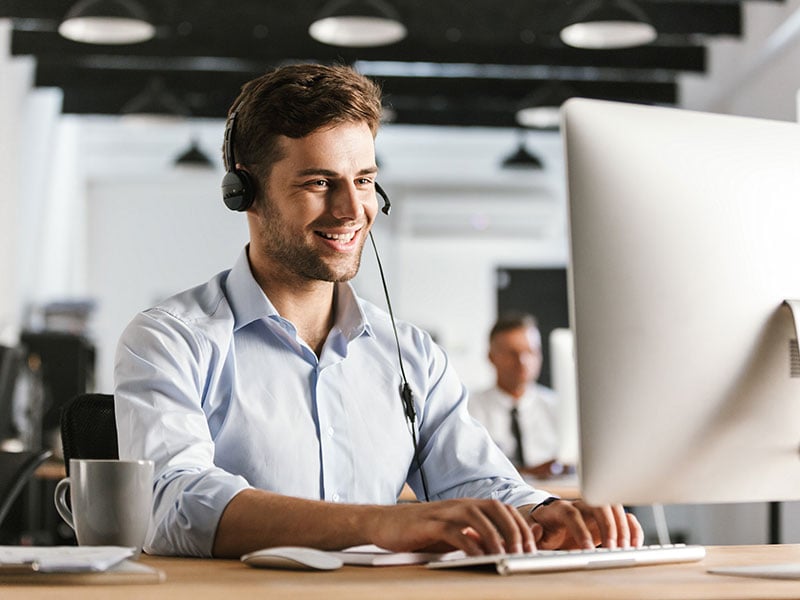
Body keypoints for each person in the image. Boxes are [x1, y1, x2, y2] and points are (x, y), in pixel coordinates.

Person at [114, 63, 642, 559]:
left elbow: (473, 478)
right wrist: (378, 525)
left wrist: (542, 511)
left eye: (364, 180)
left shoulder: (409, 353)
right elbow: (173, 503)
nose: (352, 210)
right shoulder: (170, 340)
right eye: (320, 182)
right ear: (244, 191)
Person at [469, 313, 570, 479]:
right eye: (512, 353)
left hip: (556, 497)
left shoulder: (559, 408)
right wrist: (526, 473)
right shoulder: (470, 410)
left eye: (530, 352)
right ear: (491, 357)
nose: (522, 361)